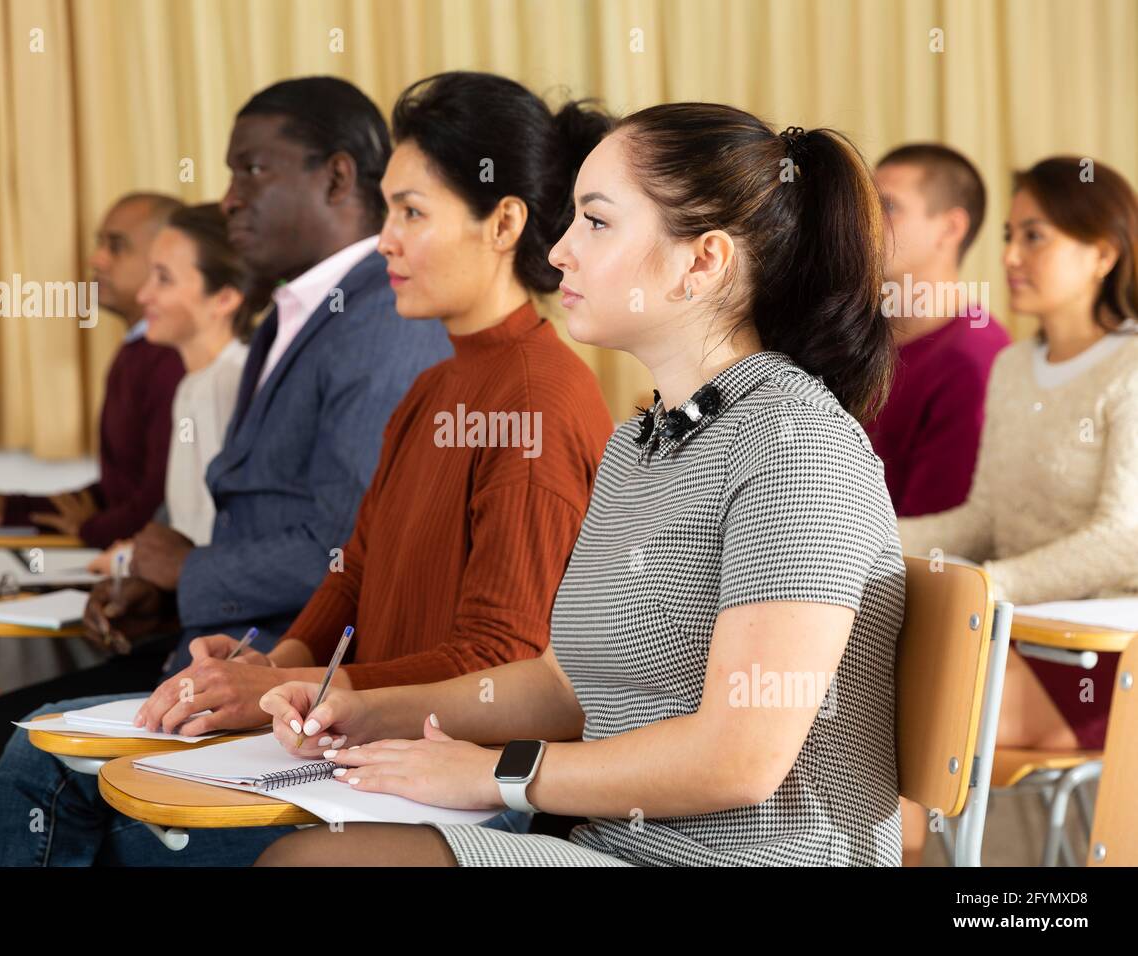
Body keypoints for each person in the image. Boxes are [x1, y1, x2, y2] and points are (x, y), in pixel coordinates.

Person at [0, 70, 615, 867]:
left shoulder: (538, 400)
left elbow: (498, 662)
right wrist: (270, 664)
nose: (385, 241)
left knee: (121, 833)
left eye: (412, 213)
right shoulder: (436, 383)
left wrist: (332, 691)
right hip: (359, 738)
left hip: (443, 776)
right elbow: (355, 569)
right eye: (388, 212)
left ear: (503, 224)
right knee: (45, 764)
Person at [257, 105, 906, 867]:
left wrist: (497, 775)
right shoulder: (643, 441)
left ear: (703, 262)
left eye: (596, 223)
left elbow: (740, 758)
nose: (559, 250)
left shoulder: (796, 446)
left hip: (748, 859)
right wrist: (364, 712)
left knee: (316, 864)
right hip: (617, 846)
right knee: (314, 851)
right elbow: (568, 688)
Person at [900, 156, 1138, 756]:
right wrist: (871, 537)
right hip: (1007, 630)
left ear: (1103, 254)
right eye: (1009, 236)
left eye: (1034, 237)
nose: (1009, 256)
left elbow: (1121, 538)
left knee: (906, 715)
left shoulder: (1130, 369)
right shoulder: (1011, 367)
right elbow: (985, 520)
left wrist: (986, 584)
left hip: (1103, 656)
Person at [0, 193, 187, 718]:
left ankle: (16, 766)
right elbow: (115, 493)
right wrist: (11, 508)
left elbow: (157, 505)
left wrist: (93, 527)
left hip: (160, 603)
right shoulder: (137, 351)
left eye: (115, 246)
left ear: (167, 261)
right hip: (130, 571)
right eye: (98, 244)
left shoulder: (172, 360)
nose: (96, 261)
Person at [89, 201, 257, 576]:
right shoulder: (194, 384)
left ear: (225, 298)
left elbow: (218, 537)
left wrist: (124, 561)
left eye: (163, 279)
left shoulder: (228, 384)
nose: (145, 294)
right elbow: (183, 525)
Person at [868, 144, 1010, 517]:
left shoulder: (973, 360)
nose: (864, 221)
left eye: (887, 207)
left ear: (950, 228)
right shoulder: (853, 334)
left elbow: (941, 533)